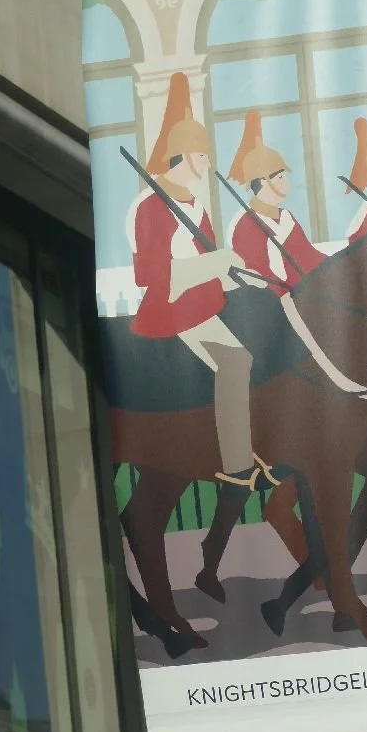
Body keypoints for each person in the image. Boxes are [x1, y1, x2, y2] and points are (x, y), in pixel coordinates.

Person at [127, 73, 276, 494]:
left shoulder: (194, 205)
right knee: (236, 360)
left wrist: (241, 276)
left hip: (204, 303)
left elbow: (212, 265)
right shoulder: (151, 208)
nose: (208, 162)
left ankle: (255, 444)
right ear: (185, 156)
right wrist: (217, 261)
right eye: (203, 155)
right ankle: (236, 462)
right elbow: (151, 276)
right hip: (173, 310)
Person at [227, 110, 327, 295]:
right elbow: (260, 280)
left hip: (309, 297)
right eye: (281, 178)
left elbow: (310, 257)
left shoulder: (286, 217)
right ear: (264, 181)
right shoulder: (245, 226)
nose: (287, 186)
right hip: (281, 304)